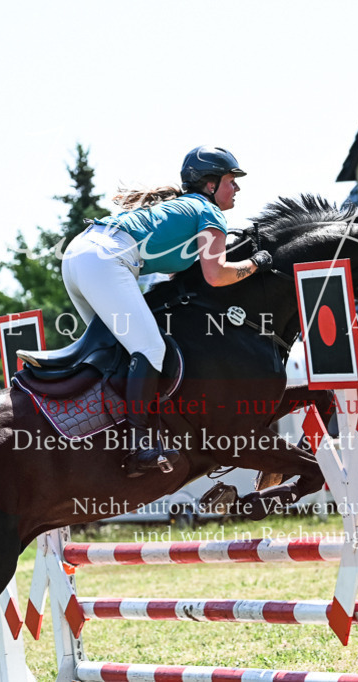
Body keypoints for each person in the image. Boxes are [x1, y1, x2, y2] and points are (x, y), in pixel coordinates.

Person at [62, 146, 272, 477]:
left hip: (79, 256)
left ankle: (97, 433)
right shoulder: (209, 212)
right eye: (232, 180)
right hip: (104, 259)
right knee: (150, 348)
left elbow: (185, 280)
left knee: (116, 353)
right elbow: (217, 276)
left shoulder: (182, 211)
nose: (237, 188)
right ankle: (139, 447)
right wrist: (257, 264)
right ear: (210, 185)